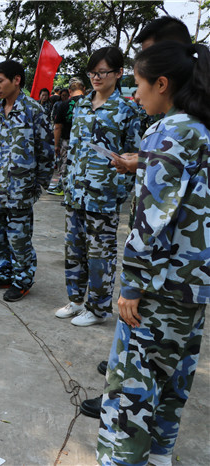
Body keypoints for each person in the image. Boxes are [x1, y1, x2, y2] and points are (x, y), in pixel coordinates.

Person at [97, 40, 210, 466]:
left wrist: (131, 285)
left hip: (160, 286)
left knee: (131, 389)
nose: (135, 93)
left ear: (162, 84)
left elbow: (151, 221)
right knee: (173, 380)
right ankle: (160, 457)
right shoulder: (201, 130)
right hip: (193, 288)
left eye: (139, 84)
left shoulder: (169, 131)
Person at [54, 47, 141, 325]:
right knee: (74, 250)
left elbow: (134, 154)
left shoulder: (127, 110)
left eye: (102, 72)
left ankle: (98, 308)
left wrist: (119, 190)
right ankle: (76, 300)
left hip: (104, 196)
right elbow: (75, 150)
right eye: (92, 72)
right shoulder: (79, 105)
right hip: (76, 192)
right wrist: (68, 182)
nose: (96, 77)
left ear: (118, 73)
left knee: (100, 255)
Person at [0, 60, 54, 301]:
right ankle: (2, 273)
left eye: (1, 81)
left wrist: (39, 185)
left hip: (21, 190)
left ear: (17, 80)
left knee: (19, 238)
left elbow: (47, 152)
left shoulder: (34, 111)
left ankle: (22, 280)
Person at [48, 79, 85, 196]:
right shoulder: (90, 104)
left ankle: (67, 195)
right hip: (85, 142)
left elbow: (57, 127)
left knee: (66, 167)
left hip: (66, 141)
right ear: (84, 89)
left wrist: (56, 145)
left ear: (69, 91)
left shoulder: (63, 105)